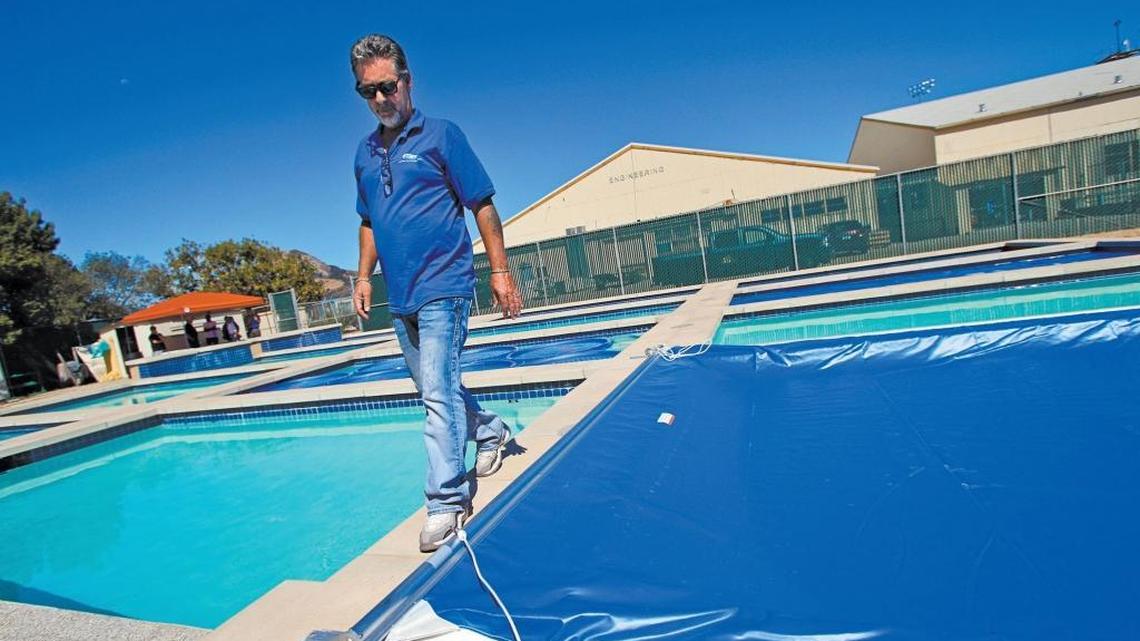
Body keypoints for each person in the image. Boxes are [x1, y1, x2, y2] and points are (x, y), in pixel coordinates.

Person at [349, 34, 524, 553]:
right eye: (367, 92)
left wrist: (500, 271)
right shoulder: (363, 154)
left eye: (387, 86)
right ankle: (491, 431)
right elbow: (368, 223)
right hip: (398, 296)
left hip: (445, 285)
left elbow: (483, 206)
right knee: (436, 391)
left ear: (407, 81)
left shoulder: (442, 136)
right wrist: (362, 278)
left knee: (438, 395)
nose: (380, 99)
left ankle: (445, 500)